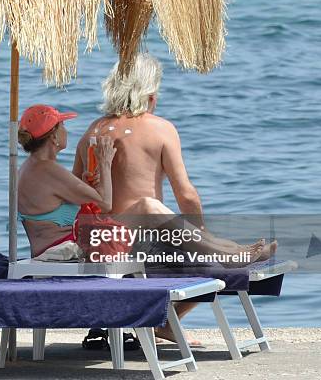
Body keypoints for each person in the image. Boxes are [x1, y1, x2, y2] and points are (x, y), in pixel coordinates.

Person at [72, 53, 277, 345]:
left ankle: (169, 318)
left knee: (193, 242)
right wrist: (198, 232)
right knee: (200, 252)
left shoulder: (91, 131)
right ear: (151, 95)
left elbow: (76, 193)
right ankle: (186, 302)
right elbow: (186, 194)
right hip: (137, 250)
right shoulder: (160, 128)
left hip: (97, 245)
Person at [17, 104, 116, 258]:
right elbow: (106, 203)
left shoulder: (29, 167)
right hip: (62, 250)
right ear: (53, 137)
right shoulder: (48, 169)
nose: (66, 131)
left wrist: (85, 187)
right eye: (62, 125)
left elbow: (52, 197)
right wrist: (105, 162)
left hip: (43, 250)